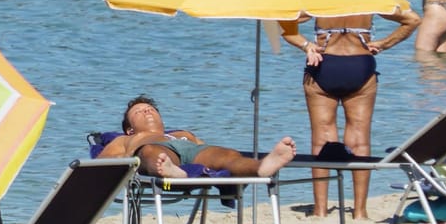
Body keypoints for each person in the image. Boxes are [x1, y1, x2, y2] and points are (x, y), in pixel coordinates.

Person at [280, 0, 421, 218]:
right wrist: (384, 43)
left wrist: (307, 45)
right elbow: (413, 20)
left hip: (325, 66)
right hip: (361, 67)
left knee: (321, 140)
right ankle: (360, 212)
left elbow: (284, 23)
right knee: (360, 141)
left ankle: (320, 210)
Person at [97, 96, 297, 180]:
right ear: (129, 129)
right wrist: (128, 159)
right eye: (138, 112)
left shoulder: (182, 134)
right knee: (151, 153)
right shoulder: (126, 139)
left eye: (150, 109)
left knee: (226, 155)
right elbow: (100, 163)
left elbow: (204, 150)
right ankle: (172, 171)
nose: (147, 111)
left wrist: (214, 155)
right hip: (154, 150)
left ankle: (261, 167)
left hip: (189, 148)